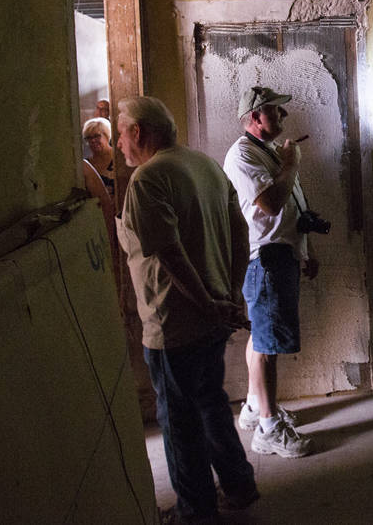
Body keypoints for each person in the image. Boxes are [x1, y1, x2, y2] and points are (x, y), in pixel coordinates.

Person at [114, 95, 258, 522]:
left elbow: (170, 257)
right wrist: (228, 295)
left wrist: (210, 304)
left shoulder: (147, 179)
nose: (119, 143)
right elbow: (239, 232)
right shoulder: (205, 165)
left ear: (138, 131)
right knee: (211, 404)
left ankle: (195, 511)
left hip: (173, 325)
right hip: (211, 319)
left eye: (121, 133)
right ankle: (239, 486)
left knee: (178, 425)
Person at [223, 85, 320, 459]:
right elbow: (270, 203)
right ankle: (268, 428)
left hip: (281, 254)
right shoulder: (243, 154)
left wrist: (305, 250)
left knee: (261, 339)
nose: (283, 117)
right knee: (267, 346)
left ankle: (253, 406)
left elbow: (293, 206)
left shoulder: (266, 152)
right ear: (254, 116)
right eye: (275, 111)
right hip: (266, 259)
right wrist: (291, 163)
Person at [83, 116, 115, 197]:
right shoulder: (86, 165)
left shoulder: (118, 159)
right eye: (89, 138)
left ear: (107, 135)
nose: (93, 140)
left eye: (97, 136)